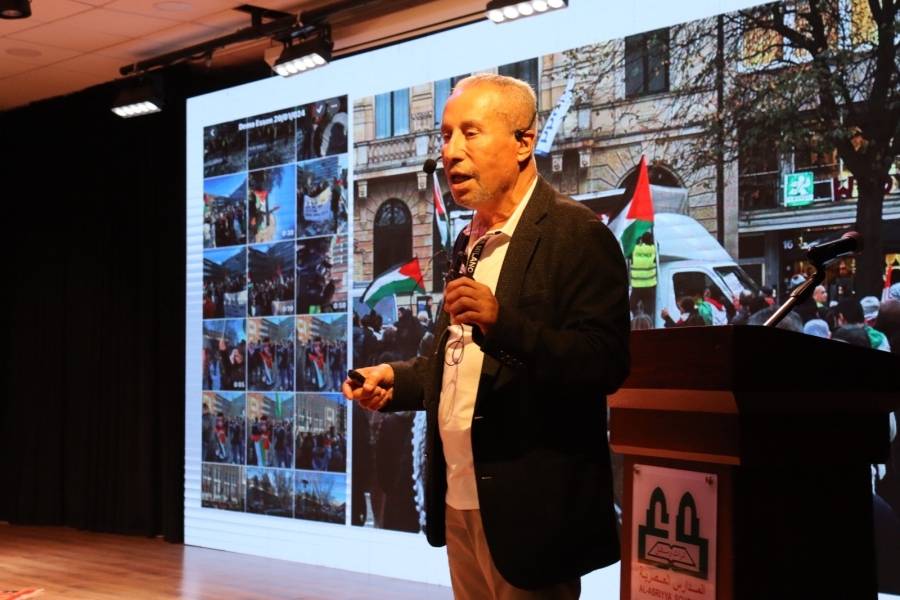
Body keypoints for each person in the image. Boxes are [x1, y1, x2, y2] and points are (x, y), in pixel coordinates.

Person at [343, 74, 630, 599]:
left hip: (531, 515)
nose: (451, 151)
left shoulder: (577, 235)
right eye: (445, 135)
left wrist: (504, 325)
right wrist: (394, 380)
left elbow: (605, 361)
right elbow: (453, 364)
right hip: (460, 502)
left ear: (523, 142)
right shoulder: (467, 242)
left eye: (469, 133)